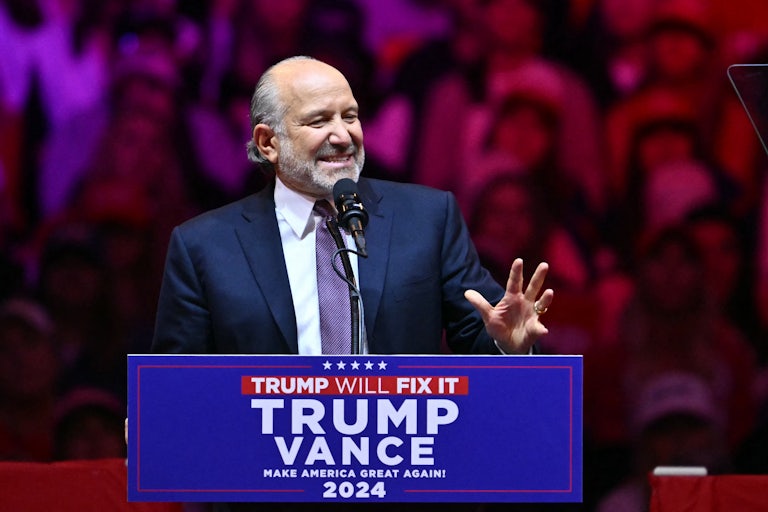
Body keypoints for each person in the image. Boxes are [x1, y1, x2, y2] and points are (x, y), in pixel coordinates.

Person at [152, 55, 552, 362]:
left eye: (350, 117)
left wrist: (508, 345)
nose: (343, 136)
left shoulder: (428, 219)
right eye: (319, 121)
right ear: (268, 142)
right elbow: (177, 387)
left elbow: (483, 337)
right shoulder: (203, 247)